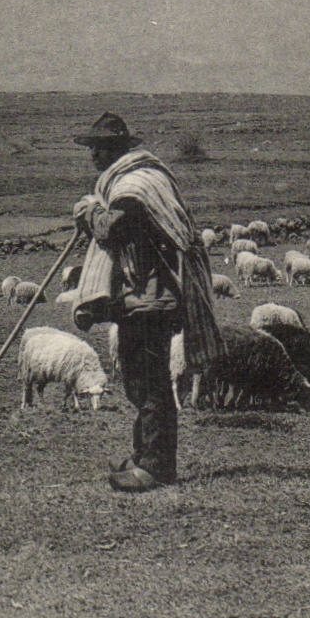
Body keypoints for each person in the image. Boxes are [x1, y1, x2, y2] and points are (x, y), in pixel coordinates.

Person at [69, 113, 220, 493]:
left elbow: (111, 228)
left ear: (118, 149)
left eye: (99, 147)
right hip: (139, 297)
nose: (94, 155)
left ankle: (155, 467)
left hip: (153, 299)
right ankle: (142, 455)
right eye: (92, 148)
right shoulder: (129, 181)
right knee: (138, 382)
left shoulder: (136, 186)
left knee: (150, 383)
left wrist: (88, 212)